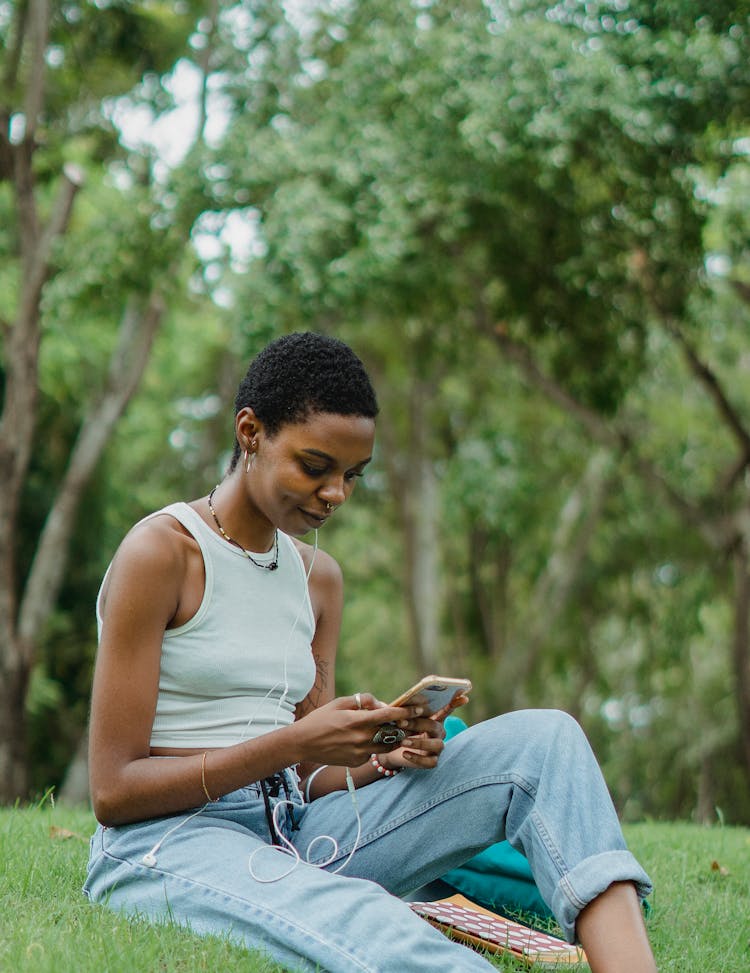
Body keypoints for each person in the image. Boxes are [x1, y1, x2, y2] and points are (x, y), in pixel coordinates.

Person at [84, 332, 657, 973]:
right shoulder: (163, 554)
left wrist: (384, 755)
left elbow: (305, 779)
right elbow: (113, 792)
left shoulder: (316, 578)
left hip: (291, 830)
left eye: (353, 475)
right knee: (377, 921)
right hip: (170, 840)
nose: (337, 494)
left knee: (546, 742)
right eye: (315, 466)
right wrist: (298, 744)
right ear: (250, 431)